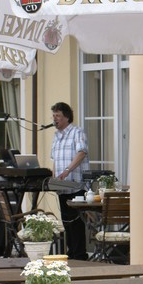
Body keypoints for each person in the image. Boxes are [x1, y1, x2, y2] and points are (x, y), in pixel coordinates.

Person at [49, 102, 90, 260]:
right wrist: (54, 178)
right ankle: (72, 254)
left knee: (76, 222)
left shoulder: (77, 132)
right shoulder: (56, 136)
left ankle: (80, 256)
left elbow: (82, 153)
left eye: (58, 116)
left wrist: (67, 170)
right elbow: (55, 160)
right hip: (62, 186)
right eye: (53, 116)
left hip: (76, 184)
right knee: (66, 221)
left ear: (66, 117)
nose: (55, 119)